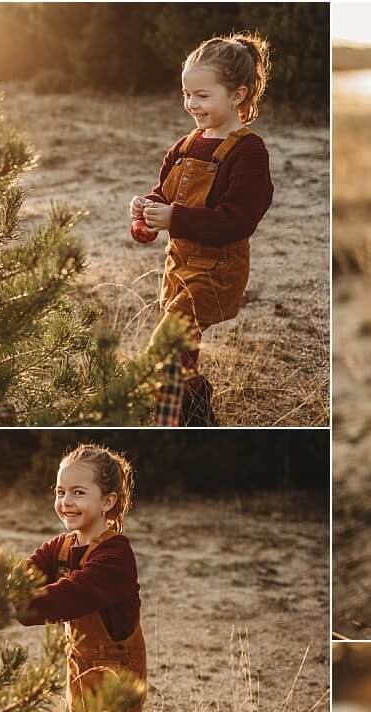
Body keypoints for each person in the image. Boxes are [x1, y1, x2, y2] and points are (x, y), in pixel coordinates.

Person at [131, 33, 275, 426]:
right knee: (183, 351)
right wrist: (145, 214)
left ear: (237, 95)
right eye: (186, 94)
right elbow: (165, 194)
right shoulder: (184, 146)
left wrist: (175, 219)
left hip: (216, 269)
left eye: (202, 95)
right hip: (178, 265)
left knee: (167, 346)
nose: (192, 104)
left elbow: (238, 219)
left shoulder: (248, 151)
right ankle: (198, 415)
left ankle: (159, 415)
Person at [20, 443, 146, 712]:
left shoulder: (115, 556)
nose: (66, 501)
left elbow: (75, 593)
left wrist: (25, 606)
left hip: (114, 670)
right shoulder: (61, 546)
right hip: (80, 664)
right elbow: (27, 570)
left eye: (78, 492)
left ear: (108, 501)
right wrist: (0, 587)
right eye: (60, 491)